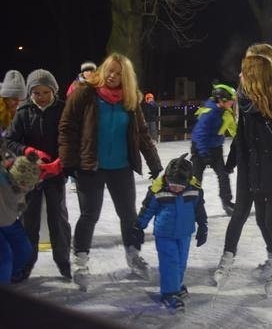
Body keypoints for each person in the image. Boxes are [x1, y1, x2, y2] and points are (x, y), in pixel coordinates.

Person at [58, 53, 163, 290]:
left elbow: (143, 135)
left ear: (126, 77)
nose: (113, 76)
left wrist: (155, 165)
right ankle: (81, 261)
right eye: (110, 70)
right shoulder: (84, 94)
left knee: (129, 215)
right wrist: (68, 162)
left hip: (121, 167)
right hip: (90, 167)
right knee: (89, 215)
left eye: (119, 73)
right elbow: (67, 127)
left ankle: (133, 255)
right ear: (103, 69)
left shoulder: (130, 100)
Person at [213, 44, 272, 296]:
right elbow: (241, 136)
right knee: (258, 216)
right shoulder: (245, 103)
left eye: (246, 70)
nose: (240, 75)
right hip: (253, 167)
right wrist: (231, 162)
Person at [5, 69, 71, 282]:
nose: (41, 96)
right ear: (30, 93)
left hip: (56, 174)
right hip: (30, 176)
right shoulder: (23, 111)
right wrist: (29, 152)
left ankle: (63, 262)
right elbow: (10, 141)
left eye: (45, 92)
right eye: (36, 92)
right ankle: (26, 265)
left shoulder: (63, 110)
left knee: (58, 220)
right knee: (29, 221)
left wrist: (61, 161)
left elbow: (71, 137)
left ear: (53, 91)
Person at [134, 154, 208, 313]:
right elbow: (147, 209)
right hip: (165, 234)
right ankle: (169, 293)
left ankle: (176, 285)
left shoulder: (194, 190)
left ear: (187, 181)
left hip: (185, 233)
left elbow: (199, 208)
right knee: (170, 262)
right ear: (166, 178)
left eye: (179, 186)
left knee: (181, 262)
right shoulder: (158, 190)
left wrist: (203, 225)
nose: (175, 188)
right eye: (172, 184)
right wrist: (139, 227)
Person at [190, 84, 237, 216]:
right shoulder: (209, 113)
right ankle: (192, 205)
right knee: (196, 179)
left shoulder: (226, 112)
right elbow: (199, 135)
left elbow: (234, 130)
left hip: (216, 148)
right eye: (231, 100)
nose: (233, 102)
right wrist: (204, 154)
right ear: (221, 100)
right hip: (200, 149)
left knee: (223, 175)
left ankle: (227, 202)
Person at [0, 147, 40, 284]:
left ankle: (12, 275)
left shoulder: (16, 167)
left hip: (7, 220)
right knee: (4, 259)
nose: (25, 191)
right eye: (22, 187)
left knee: (24, 249)